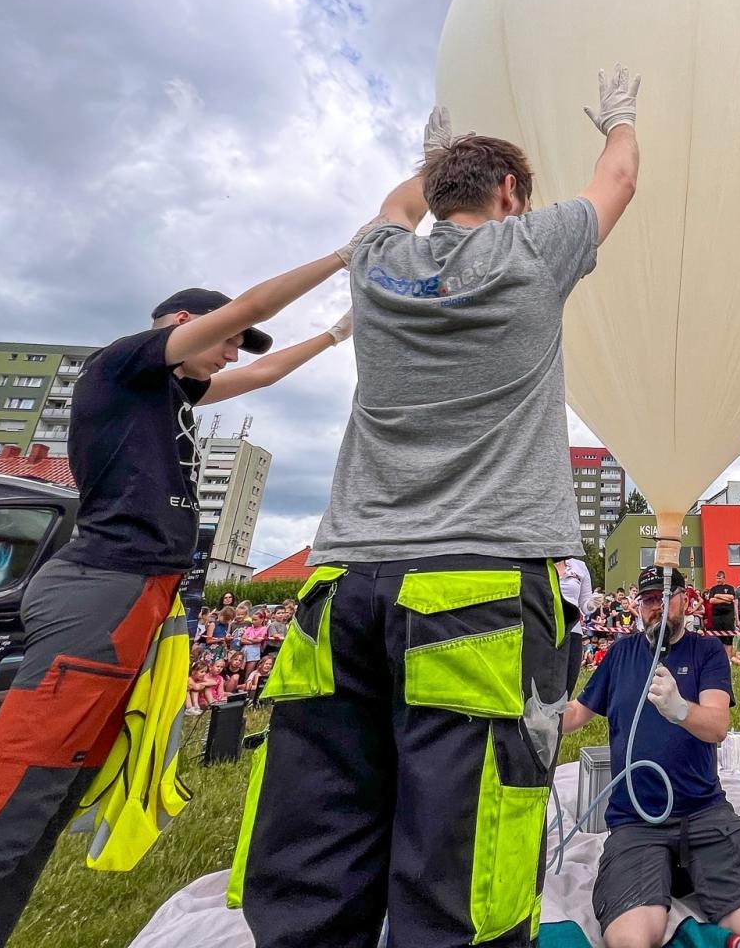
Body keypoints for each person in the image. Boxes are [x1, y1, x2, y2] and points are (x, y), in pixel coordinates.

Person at [239, 69, 642, 947]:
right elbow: (618, 181)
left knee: (316, 838)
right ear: (509, 194)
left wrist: (430, 164)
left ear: (436, 192)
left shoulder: (374, 260)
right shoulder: (532, 250)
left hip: (343, 588)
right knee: (461, 866)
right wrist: (620, 119)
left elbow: (393, 201)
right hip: (482, 589)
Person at [0, 257, 359, 948]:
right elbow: (252, 306)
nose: (235, 350)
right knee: (10, 802)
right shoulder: (121, 367)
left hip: (136, 595)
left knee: (47, 806)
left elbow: (263, 373)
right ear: (181, 324)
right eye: (227, 336)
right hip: (104, 590)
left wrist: (335, 334)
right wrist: (344, 257)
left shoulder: (165, 398)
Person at [561, 568, 740, 948]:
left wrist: (680, 710)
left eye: (665, 597)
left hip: (703, 811)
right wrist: (542, 715)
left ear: (687, 600)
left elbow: (718, 725)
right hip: (636, 820)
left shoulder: (706, 651)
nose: (657, 607)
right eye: (649, 600)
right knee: (630, 940)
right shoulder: (622, 653)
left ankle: (689, 872)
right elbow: (577, 713)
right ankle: (664, 873)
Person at [557, 555, 595, 693]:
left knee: (567, 685)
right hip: (546, 631)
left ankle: (561, 714)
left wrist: (592, 604)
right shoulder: (540, 561)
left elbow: (585, 605)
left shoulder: (579, 566)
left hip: (573, 632)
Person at [705, 571, 737, 643]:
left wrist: (718, 596)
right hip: (717, 617)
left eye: (720, 578)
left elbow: (731, 597)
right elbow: (712, 600)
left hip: (728, 616)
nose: (718, 580)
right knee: (717, 638)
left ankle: (728, 654)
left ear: (724, 578)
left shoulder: (730, 588)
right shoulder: (713, 589)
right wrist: (725, 601)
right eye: (717, 578)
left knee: (728, 638)